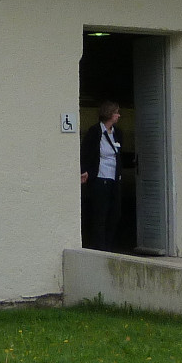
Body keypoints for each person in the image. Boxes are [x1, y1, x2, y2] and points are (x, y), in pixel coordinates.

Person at [80, 101, 123, 251]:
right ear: (110, 114)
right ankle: (99, 245)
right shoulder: (95, 131)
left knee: (115, 212)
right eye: (116, 112)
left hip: (113, 178)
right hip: (99, 177)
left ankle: (109, 244)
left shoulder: (117, 133)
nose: (118, 115)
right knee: (100, 212)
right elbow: (86, 152)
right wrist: (85, 170)